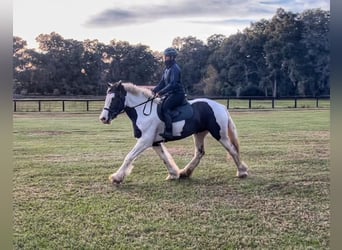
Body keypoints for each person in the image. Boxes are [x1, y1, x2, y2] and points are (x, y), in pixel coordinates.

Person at [153, 47, 186, 140]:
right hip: (170, 94)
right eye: (164, 56)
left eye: (166, 57)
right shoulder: (167, 69)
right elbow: (162, 83)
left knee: (165, 107)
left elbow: (173, 84)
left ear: (171, 57)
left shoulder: (175, 68)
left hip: (177, 94)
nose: (164, 58)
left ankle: (169, 131)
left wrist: (161, 92)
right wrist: (154, 91)